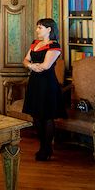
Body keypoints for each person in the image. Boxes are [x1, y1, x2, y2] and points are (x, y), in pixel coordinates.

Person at [22, 17, 66, 161]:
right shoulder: (35, 43)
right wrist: (30, 66)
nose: (37, 30)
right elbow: (25, 60)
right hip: (35, 83)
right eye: (37, 27)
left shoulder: (54, 46)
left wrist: (32, 66)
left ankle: (46, 148)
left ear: (49, 29)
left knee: (46, 116)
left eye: (40, 27)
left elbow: (46, 66)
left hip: (47, 84)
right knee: (36, 116)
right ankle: (43, 145)